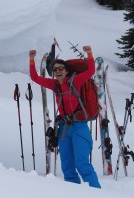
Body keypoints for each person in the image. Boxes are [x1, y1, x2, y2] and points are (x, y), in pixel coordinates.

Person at [29, 46, 101, 189]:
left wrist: (90, 54)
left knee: (82, 164)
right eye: (55, 69)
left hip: (79, 127)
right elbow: (35, 78)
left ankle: (96, 194)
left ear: (66, 71)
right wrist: (31, 60)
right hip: (63, 129)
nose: (58, 71)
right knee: (67, 168)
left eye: (61, 68)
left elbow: (91, 71)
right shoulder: (54, 85)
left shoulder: (76, 81)